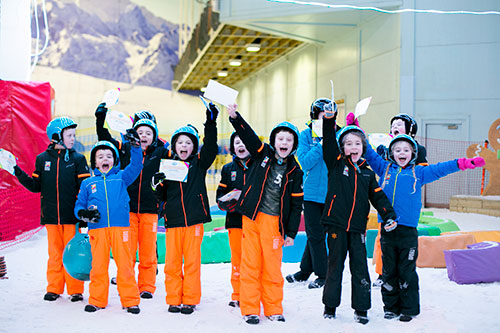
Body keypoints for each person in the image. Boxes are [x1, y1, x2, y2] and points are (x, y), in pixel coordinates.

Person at [364, 134, 485, 322]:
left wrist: (464, 163)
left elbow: (441, 169)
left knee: (406, 270)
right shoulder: (385, 169)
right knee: (389, 270)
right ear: (391, 153)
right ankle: (390, 307)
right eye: (397, 150)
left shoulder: (418, 172)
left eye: (405, 149)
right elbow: (370, 154)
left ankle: (409, 308)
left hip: (407, 231)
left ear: (412, 153)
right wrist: (359, 132)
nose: (401, 153)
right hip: (387, 228)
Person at [226, 103, 304, 325]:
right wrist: (234, 117)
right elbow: (248, 136)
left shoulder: (295, 171)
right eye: (280, 139)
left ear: (293, 145)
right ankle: (250, 308)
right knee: (250, 264)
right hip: (251, 218)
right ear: (274, 141)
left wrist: (290, 232)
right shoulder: (263, 154)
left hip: (273, 224)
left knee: (272, 267)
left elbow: (297, 204)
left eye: (289, 140)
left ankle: (273, 307)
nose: (284, 143)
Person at [321, 107, 397, 325]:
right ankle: (330, 306)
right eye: (348, 143)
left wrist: (388, 215)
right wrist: (329, 120)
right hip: (336, 226)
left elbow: (379, 198)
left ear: (363, 147)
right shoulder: (336, 164)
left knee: (360, 268)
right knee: (335, 266)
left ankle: (361, 308)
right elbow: (327, 142)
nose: (353, 147)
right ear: (342, 147)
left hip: (357, 229)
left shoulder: (367, 173)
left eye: (357, 143)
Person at [13, 117, 90, 302]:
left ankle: (75, 290)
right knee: (54, 253)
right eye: (69, 135)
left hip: (72, 217)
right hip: (51, 216)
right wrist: (16, 170)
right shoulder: (42, 159)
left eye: (74, 135)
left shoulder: (78, 159)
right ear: (56, 136)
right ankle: (54, 288)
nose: (73, 138)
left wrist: (85, 212)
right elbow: (35, 186)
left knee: (71, 252)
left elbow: (85, 187)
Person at [151, 104, 219, 315]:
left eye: (188, 142)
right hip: (173, 222)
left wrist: (211, 122)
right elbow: (160, 196)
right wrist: (156, 184)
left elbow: (210, 147)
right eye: (180, 142)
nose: (184, 145)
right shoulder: (167, 166)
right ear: (174, 145)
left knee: (191, 263)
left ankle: (189, 299)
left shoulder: (199, 164)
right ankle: (173, 298)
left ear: (194, 147)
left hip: (194, 222)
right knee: (171, 263)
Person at [347, 112, 428, 288]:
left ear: (410, 129)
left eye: (399, 123)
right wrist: (357, 130)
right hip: (385, 205)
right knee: (382, 241)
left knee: (404, 247)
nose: (394, 127)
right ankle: (384, 274)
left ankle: (402, 277)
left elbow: (420, 173)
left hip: (406, 207)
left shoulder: (418, 149)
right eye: (392, 124)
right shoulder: (386, 145)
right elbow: (371, 157)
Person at [95, 104, 167, 294]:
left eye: (148, 132)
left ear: (155, 135)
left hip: (150, 209)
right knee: (125, 249)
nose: (143, 136)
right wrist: (100, 120)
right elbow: (105, 140)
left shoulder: (161, 152)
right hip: (127, 209)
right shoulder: (125, 149)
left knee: (148, 250)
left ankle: (147, 285)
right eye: (140, 132)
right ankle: (126, 280)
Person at [74, 132, 143, 314]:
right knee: (98, 267)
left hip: (121, 229)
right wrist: (84, 214)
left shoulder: (121, 177)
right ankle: (97, 299)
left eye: (109, 156)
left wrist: (136, 147)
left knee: (125, 265)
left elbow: (136, 166)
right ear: (95, 162)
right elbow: (79, 205)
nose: (105, 159)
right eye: (100, 156)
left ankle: (130, 300)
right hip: (98, 230)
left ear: (115, 160)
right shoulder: (88, 183)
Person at [286, 98, 334, 289]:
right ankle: (323, 274)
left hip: (332, 194)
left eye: (330, 117)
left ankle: (305, 270)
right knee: (315, 235)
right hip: (312, 194)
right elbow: (304, 162)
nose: (327, 120)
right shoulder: (305, 136)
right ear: (314, 116)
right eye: (323, 116)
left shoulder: (338, 135)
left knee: (319, 234)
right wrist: (321, 144)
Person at [216, 132, 253, 308]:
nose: (241, 145)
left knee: (253, 260)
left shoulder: (259, 167)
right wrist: (227, 202)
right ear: (233, 147)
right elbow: (220, 195)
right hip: (235, 222)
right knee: (237, 259)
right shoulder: (227, 169)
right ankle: (237, 294)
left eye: (244, 141)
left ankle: (253, 293)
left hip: (255, 222)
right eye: (237, 142)